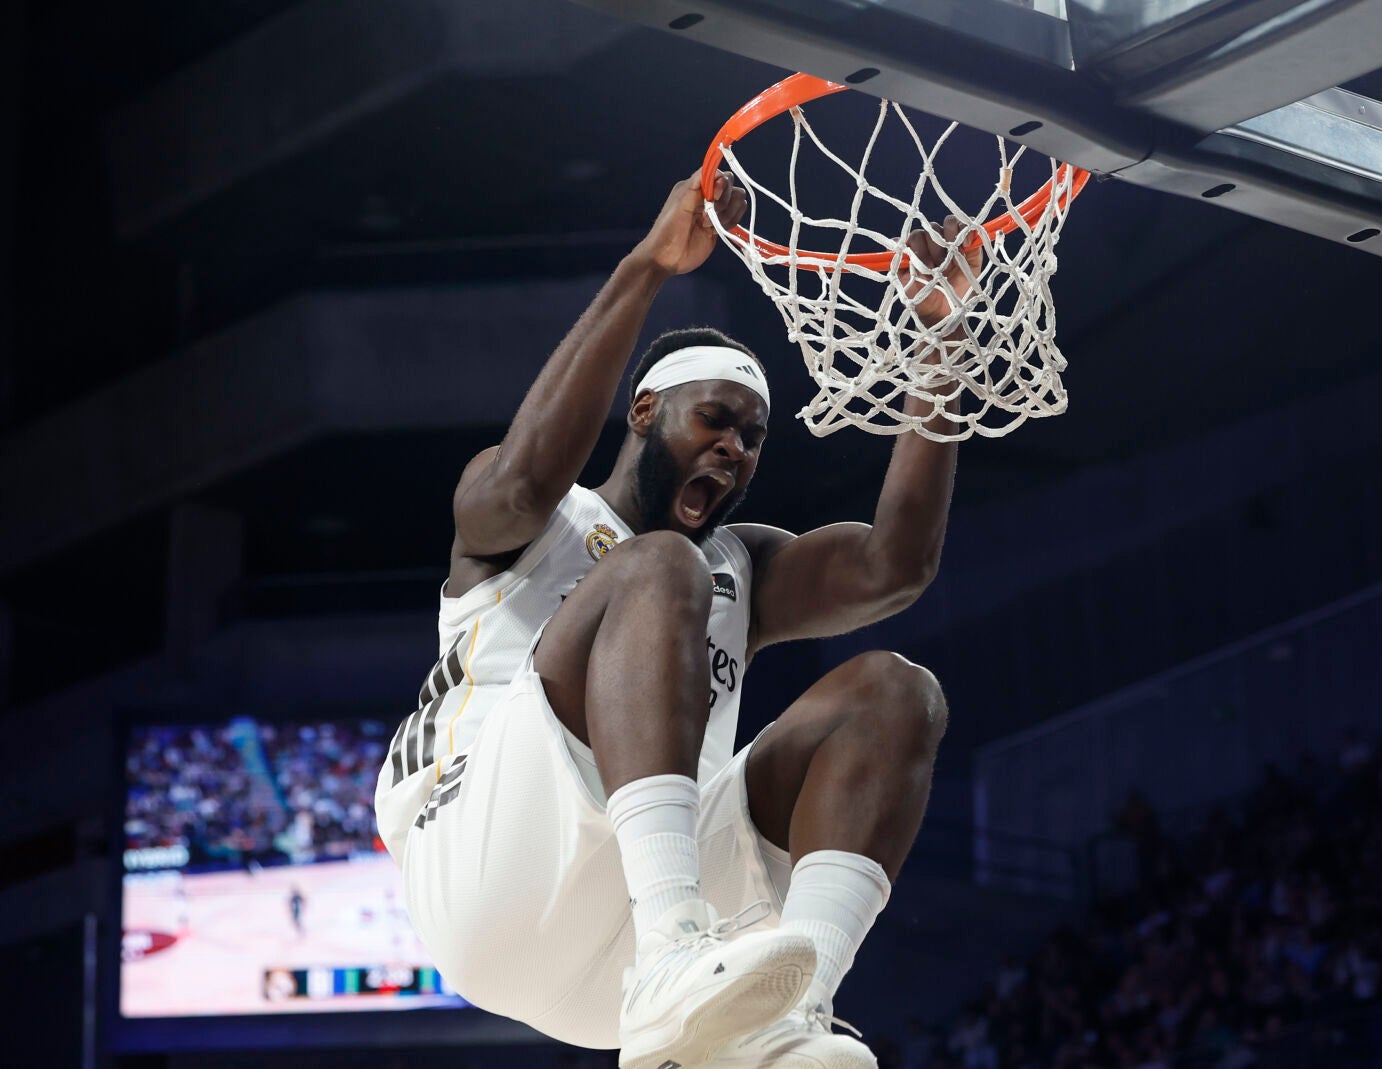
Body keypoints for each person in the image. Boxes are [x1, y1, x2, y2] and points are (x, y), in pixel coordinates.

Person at [373, 169, 972, 1069]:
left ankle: (787, 1018)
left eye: (753, 439)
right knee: (659, 564)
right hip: (488, 873)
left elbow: (897, 566)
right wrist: (649, 265)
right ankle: (671, 951)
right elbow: (526, 481)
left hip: (636, 942)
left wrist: (941, 344)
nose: (735, 447)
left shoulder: (741, 565)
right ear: (646, 410)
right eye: (716, 420)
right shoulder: (536, 518)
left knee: (898, 694)